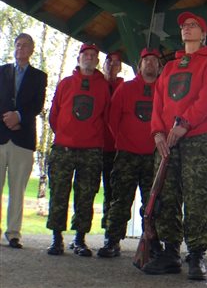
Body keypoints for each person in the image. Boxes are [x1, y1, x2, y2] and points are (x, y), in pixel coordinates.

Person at [142, 12, 207, 280]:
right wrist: (157, 133)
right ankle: (170, 252)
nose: (187, 29)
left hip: (198, 140)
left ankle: (197, 255)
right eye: (184, 26)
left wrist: (185, 124)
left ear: (203, 33)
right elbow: (158, 104)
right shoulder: (168, 68)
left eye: (193, 26)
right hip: (167, 141)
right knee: (166, 196)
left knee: (197, 196)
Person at [46, 43, 110, 256]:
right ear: (79, 58)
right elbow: (54, 114)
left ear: (97, 61)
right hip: (63, 148)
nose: (89, 58)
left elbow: (106, 116)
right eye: (86, 55)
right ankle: (56, 239)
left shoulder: (102, 87)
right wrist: (65, 134)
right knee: (59, 193)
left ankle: (80, 239)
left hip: (91, 150)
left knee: (86, 195)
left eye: (94, 55)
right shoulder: (65, 83)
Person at [97, 48, 162, 258]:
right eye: (146, 60)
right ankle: (112, 240)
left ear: (159, 66)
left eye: (154, 60)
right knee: (120, 200)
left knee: (152, 203)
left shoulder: (164, 90)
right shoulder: (126, 89)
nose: (150, 63)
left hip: (153, 156)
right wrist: (124, 140)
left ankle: (152, 242)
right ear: (139, 65)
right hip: (126, 155)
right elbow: (112, 118)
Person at [0, 33, 47, 249]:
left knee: (17, 189)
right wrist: (8, 118)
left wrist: (19, 117)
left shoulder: (39, 77)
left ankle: (14, 234)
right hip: (1, 136)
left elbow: (37, 105)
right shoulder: (1, 71)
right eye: (17, 44)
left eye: (25, 45)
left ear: (31, 50)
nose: (20, 48)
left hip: (23, 139)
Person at [100, 50, 124, 243]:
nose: (113, 65)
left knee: (112, 192)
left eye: (117, 62)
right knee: (85, 191)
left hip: (114, 148)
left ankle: (110, 234)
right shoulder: (96, 83)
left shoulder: (123, 87)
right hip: (92, 145)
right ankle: (79, 235)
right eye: (110, 61)